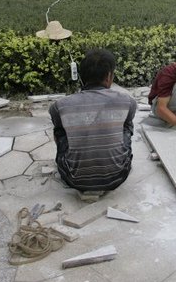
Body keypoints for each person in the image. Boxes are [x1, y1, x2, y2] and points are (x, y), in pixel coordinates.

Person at [49, 48, 137, 192]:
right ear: (109, 76)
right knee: (126, 126)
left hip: (74, 179)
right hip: (117, 177)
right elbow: (127, 125)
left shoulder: (59, 106)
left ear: (81, 76)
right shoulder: (128, 102)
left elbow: (59, 130)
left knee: (60, 129)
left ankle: (76, 163)